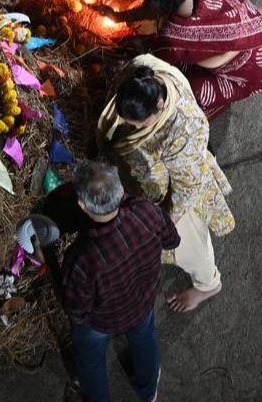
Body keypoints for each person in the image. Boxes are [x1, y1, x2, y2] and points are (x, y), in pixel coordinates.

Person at [96, 55, 233, 313]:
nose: (129, 126)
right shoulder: (142, 72)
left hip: (176, 192)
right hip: (148, 181)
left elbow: (187, 186)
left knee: (187, 243)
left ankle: (207, 285)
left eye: (138, 124)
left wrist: (165, 222)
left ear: (160, 106)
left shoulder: (185, 129)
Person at [61, 162, 179, 402]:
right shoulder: (146, 212)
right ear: (121, 190)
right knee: (145, 339)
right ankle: (148, 391)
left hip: (102, 322)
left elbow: (77, 311)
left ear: (82, 205)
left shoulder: (81, 260)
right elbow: (172, 240)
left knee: (90, 358)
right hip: (143, 302)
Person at [114, 0, 262, 119]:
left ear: (157, 4)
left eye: (145, 0)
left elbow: (158, 66)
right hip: (261, 35)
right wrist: (122, 16)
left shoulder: (172, 38)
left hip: (253, 73)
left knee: (186, 91)